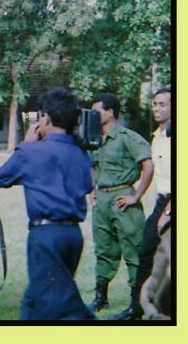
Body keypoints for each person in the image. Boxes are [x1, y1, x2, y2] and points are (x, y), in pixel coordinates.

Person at [0, 87, 95, 320]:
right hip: (73, 234)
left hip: (46, 234)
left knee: (54, 303)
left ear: (45, 118)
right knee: (42, 294)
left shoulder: (31, 151)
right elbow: (89, 184)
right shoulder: (79, 152)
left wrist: (26, 145)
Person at [87, 93, 153, 317]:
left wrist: (136, 196)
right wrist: (92, 191)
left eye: (97, 110)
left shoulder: (128, 137)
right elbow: (92, 165)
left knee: (133, 250)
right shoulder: (94, 138)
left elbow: (148, 166)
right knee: (103, 249)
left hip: (123, 198)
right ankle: (100, 298)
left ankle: (136, 304)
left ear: (110, 112)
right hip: (102, 201)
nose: (93, 115)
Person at [115, 87, 171, 320]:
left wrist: (169, 211)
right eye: (155, 104)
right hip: (162, 201)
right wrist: (137, 196)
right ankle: (137, 309)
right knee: (147, 253)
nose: (156, 108)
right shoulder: (158, 135)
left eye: (162, 104)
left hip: (171, 204)